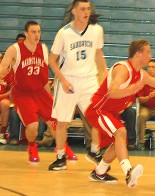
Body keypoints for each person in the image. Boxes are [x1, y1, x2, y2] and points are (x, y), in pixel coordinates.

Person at [85, 39, 155, 188]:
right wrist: (135, 87)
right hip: (99, 109)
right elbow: (112, 92)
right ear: (138, 54)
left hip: (111, 113)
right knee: (121, 132)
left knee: (118, 142)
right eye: (148, 52)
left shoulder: (140, 74)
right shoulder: (123, 69)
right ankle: (128, 172)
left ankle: (99, 172)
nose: (150, 55)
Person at [48, 0, 107, 171]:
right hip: (68, 80)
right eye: (82, 9)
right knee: (62, 121)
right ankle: (60, 157)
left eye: (88, 9)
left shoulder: (97, 30)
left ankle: (94, 151)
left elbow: (98, 53)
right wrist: (63, 80)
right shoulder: (64, 33)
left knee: (97, 118)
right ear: (73, 11)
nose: (86, 12)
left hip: (89, 80)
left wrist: (104, 72)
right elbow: (52, 60)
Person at [0, 21, 56, 165]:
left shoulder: (43, 48)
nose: (37, 35)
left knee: (56, 122)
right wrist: (4, 71)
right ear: (26, 33)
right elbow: (0, 71)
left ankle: (62, 149)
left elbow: (43, 76)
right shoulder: (15, 49)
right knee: (33, 126)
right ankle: (32, 146)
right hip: (22, 92)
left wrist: (50, 95)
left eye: (39, 32)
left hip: (40, 91)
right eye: (33, 32)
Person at [0, 49, 13, 145]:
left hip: (1, 99)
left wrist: (1, 96)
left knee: (5, 103)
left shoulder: (7, 73)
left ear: (2, 60)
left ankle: (2, 133)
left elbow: (12, 90)